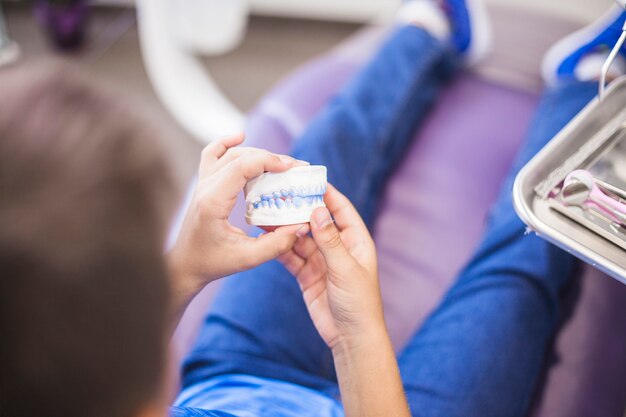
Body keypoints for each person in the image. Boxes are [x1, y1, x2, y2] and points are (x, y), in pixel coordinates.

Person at [1, 1, 622, 417]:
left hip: (235, 382)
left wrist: (186, 265)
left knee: (310, 162)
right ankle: (580, 82)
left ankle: (426, 32)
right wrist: (358, 340)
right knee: (515, 275)